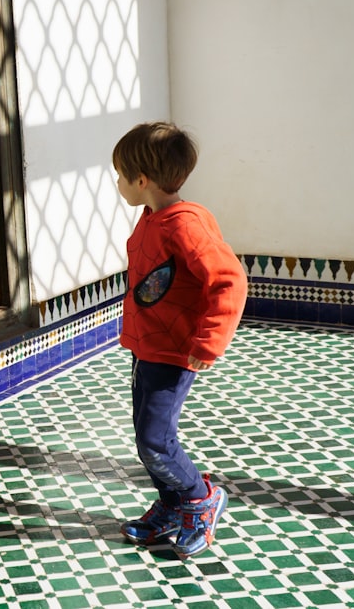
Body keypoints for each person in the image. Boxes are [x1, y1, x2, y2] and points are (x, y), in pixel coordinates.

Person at [112, 121, 248, 559]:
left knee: (155, 440)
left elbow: (229, 280)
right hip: (148, 347)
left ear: (141, 180)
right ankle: (172, 506)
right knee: (146, 436)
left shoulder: (184, 225)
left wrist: (210, 342)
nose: (117, 184)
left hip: (174, 351)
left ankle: (199, 499)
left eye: (119, 176)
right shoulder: (153, 216)